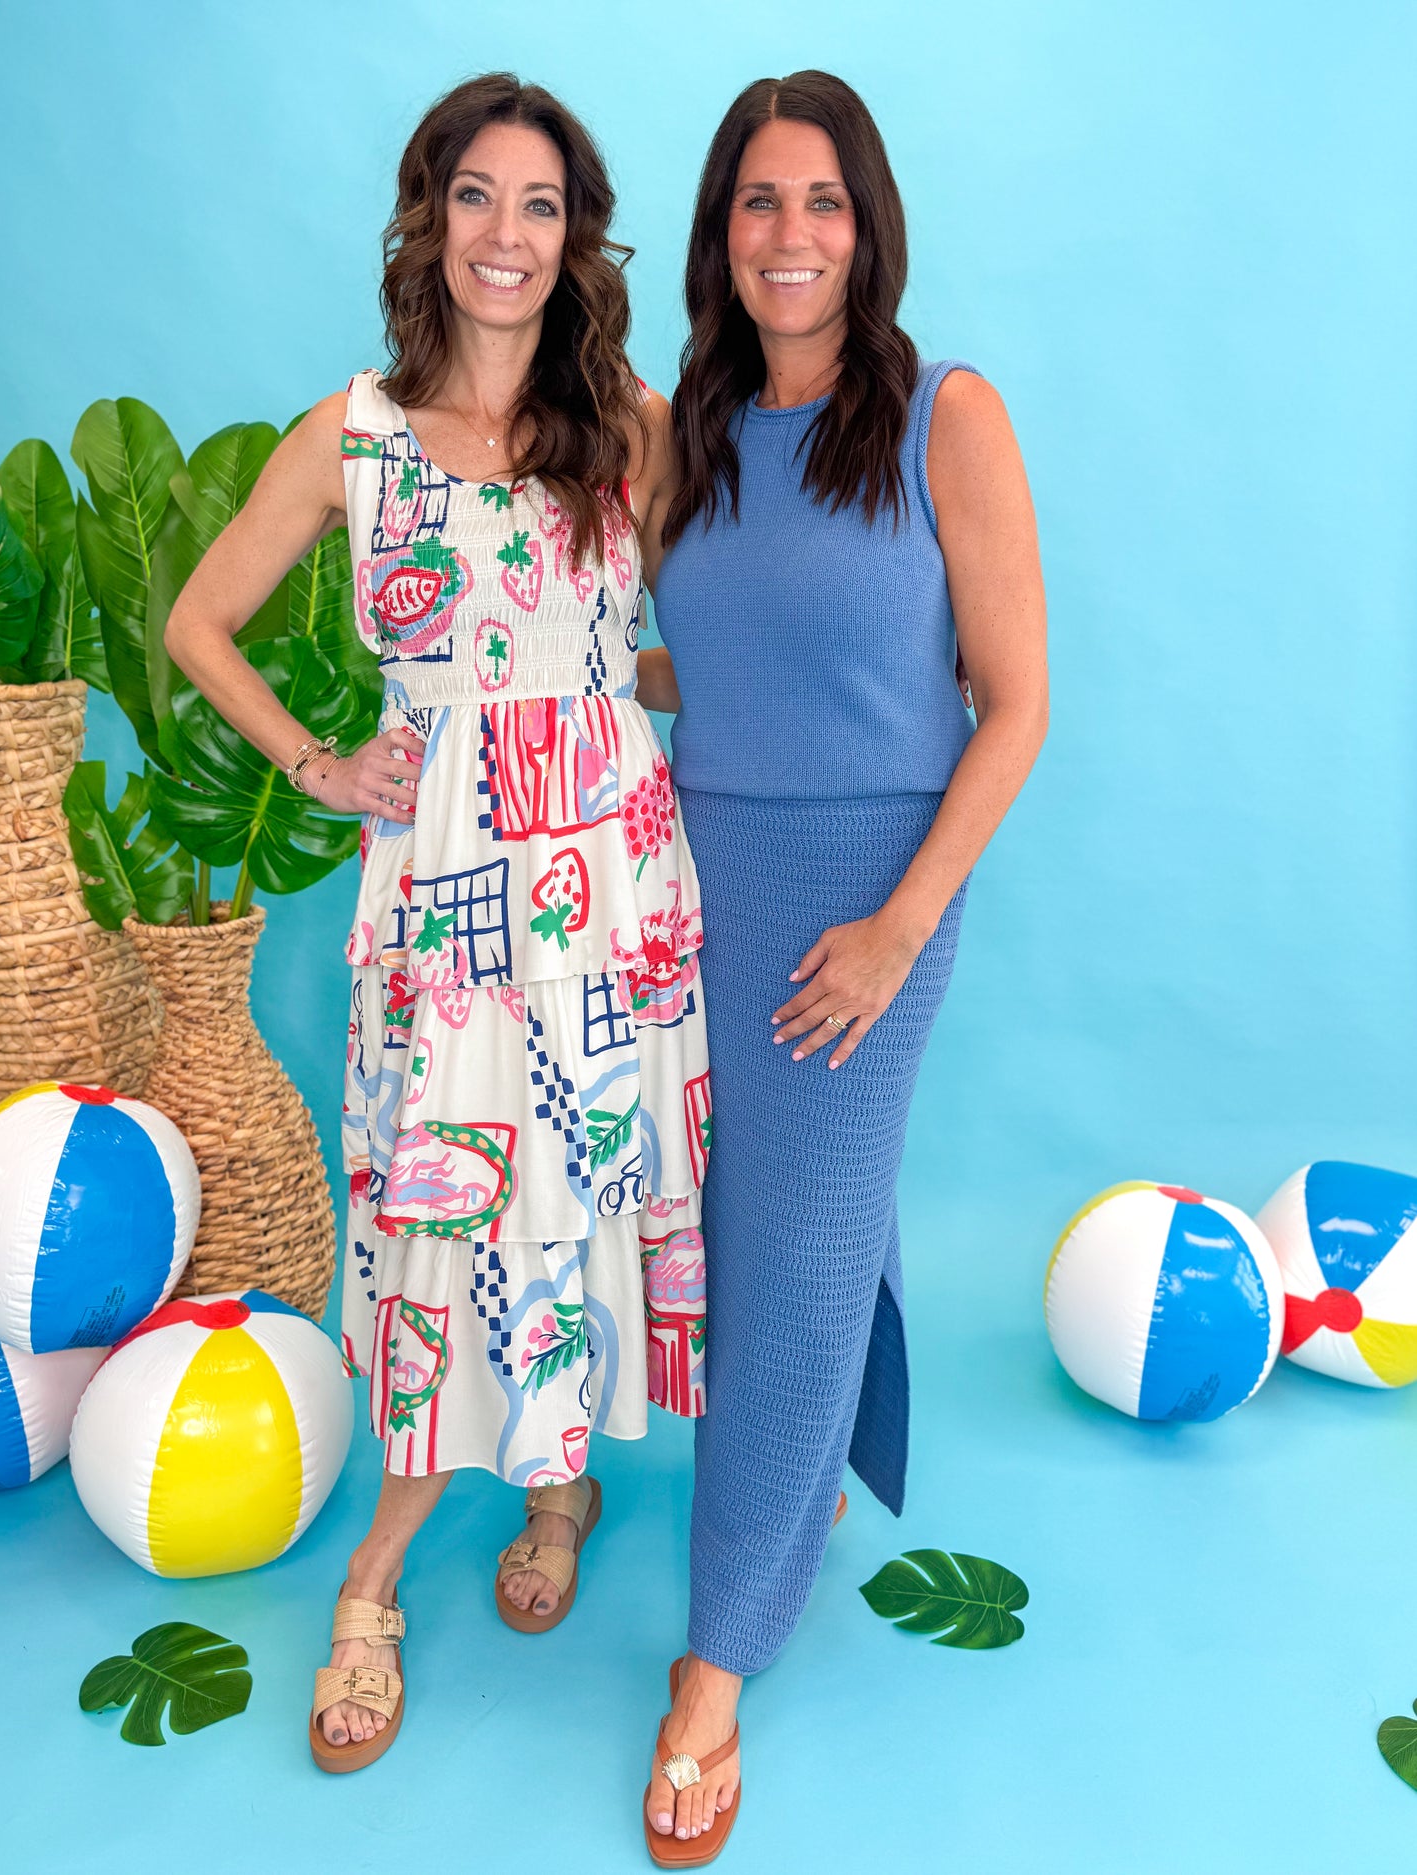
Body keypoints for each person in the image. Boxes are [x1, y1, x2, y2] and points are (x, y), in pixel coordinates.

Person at [164, 71, 709, 1774]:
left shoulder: (630, 415)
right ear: (430, 218)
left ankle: (561, 1494)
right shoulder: (354, 434)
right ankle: (380, 1568)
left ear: (578, 237)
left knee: (576, 1190)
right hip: (447, 890)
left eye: (540, 204)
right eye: (478, 196)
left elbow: (679, 649)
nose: (507, 234)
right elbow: (200, 626)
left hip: (614, 876)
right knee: (438, 1208)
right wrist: (322, 764)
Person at [634, 70, 1048, 1861]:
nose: (790, 236)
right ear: (720, 237)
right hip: (694, 872)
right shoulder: (692, 428)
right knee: (744, 1230)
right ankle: (815, 1455)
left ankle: (719, 1668)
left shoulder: (949, 412)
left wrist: (897, 926)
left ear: (866, 223)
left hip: (868, 898)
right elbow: (687, 673)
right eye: (756, 204)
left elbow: (1014, 704)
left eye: (820, 202)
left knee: (792, 1260)